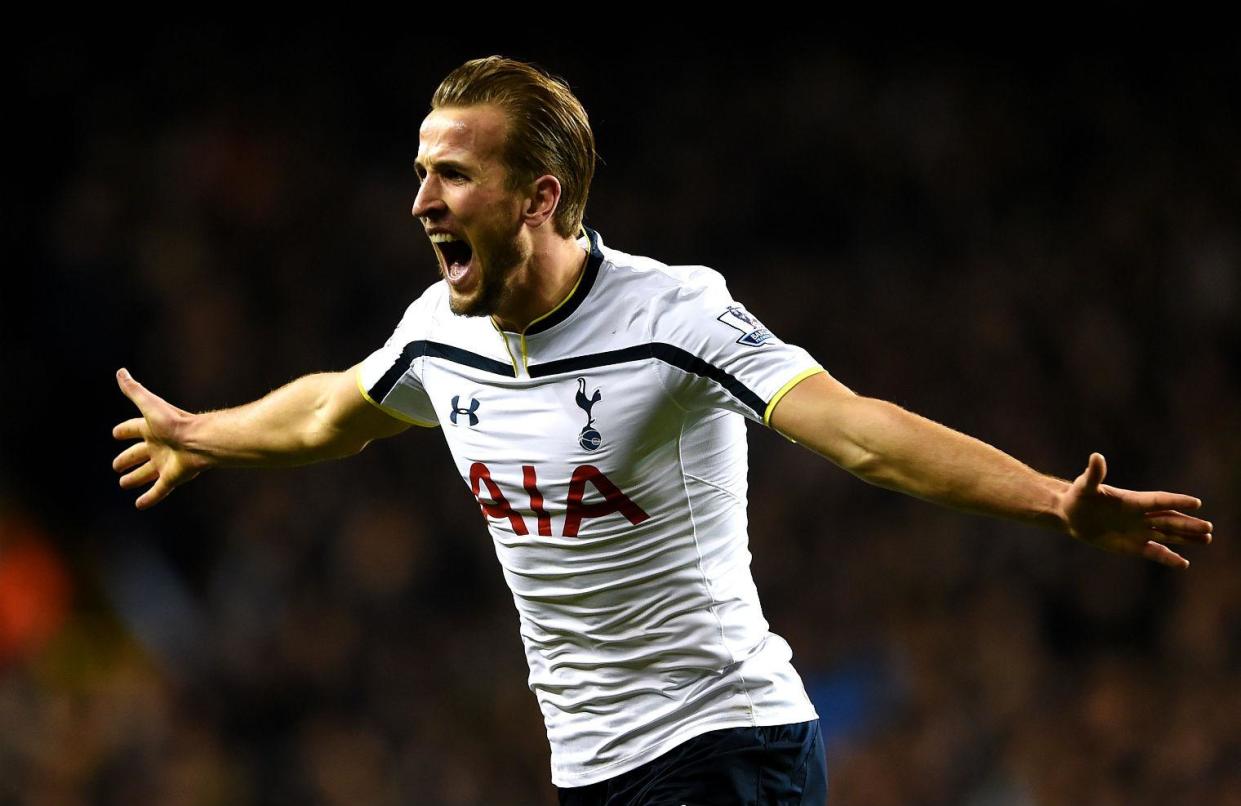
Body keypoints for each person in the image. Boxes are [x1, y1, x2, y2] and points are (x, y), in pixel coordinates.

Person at [111, 57, 1213, 805]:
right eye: (417, 173)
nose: (419, 201)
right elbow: (330, 412)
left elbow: (856, 430)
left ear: (537, 197)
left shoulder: (670, 314)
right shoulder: (437, 332)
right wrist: (202, 434)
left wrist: (1043, 497)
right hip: (592, 767)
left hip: (727, 745)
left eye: (449, 174)